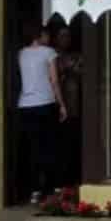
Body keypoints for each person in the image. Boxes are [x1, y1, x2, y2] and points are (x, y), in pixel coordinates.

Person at [18, 23, 67, 203]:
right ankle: (52, 187)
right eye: (46, 35)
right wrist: (62, 105)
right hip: (45, 103)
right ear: (40, 36)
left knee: (33, 149)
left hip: (25, 105)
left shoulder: (21, 53)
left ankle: (34, 190)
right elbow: (54, 80)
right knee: (50, 147)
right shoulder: (48, 52)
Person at [53, 25, 82, 187]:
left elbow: (83, 69)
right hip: (57, 108)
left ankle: (72, 180)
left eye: (68, 36)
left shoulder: (75, 56)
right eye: (62, 36)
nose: (66, 39)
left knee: (72, 145)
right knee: (59, 147)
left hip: (74, 107)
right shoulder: (52, 55)